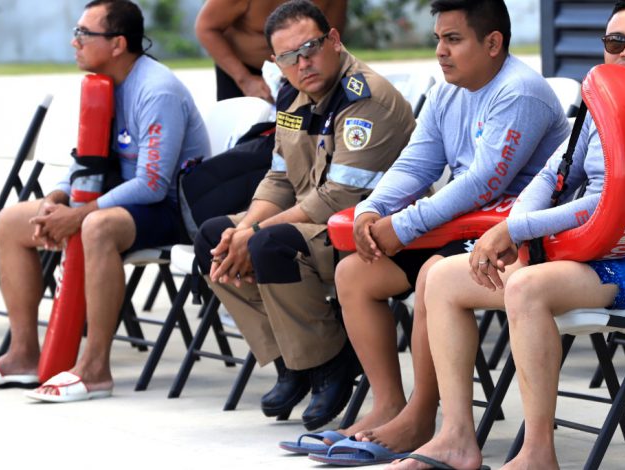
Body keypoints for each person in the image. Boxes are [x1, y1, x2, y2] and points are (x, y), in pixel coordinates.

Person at [392, 1, 625, 468]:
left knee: (527, 287)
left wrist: (514, 228)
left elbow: (612, 200)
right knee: (442, 278)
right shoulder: (604, 103)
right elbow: (552, 176)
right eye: (615, 42)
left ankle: (537, 454)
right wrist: (518, 229)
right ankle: (456, 438)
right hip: (590, 251)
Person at [315, 0, 571, 460]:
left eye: (453, 39)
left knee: (433, 273)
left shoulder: (520, 92)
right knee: (354, 274)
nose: (440, 51)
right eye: (438, 39)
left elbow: (483, 183)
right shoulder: (446, 92)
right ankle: (388, 406)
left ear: (493, 43)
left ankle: (420, 417)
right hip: (459, 228)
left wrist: (404, 225)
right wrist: (372, 210)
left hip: (513, 237)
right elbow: (416, 163)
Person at [0, 0, 211, 402]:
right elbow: (86, 160)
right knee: (11, 220)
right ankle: (23, 355)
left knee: (96, 227)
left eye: (83, 34)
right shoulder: (103, 84)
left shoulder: (156, 90)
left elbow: (152, 184)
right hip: (118, 200)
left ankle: (94, 370)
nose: (74, 42)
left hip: (174, 210)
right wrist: (56, 198)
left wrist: (77, 216)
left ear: (117, 44)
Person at [193, 0, 415, 432]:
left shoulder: (365, 97)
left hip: (368, 234)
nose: (302, 63)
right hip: (316, 225)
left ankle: (330, 361)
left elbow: (337, 199)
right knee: (214, 238)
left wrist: (255, 231)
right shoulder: (293, 95)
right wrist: (243, 228)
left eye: (310, 48)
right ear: (275, 62)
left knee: (268, 244)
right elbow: (279, 179)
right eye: (288, 57)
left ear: (334, 40)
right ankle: (293, 359)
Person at [195, 0, 347, 101]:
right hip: (241, 72)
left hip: (303, 70)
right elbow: (205, 28)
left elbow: (332, 37)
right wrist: (245, 79)